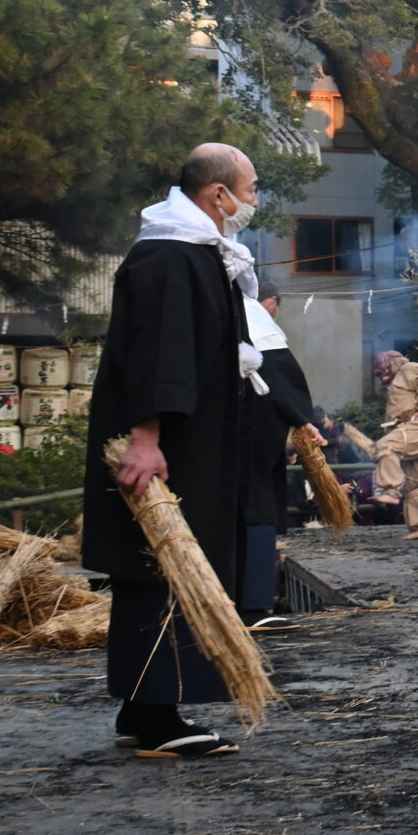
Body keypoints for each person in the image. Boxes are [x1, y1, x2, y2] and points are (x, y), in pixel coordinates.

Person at [83, 143, 262, 760]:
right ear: (218, 194)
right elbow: (159, 355)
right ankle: (157, 716)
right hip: (168, 447)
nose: (253, 201)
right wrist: (146, 439)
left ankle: (144, 707)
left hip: (186, 442)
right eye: (251, 188)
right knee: (159, 567)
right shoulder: (170, 256)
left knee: (161, 565)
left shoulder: (194, 252)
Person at [240, 281, 328, 627]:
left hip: (210, 434)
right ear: (270, 302)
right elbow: (281, 378)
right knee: (256, 511)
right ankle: (254, 604)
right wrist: (301, 421)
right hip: (251, 433)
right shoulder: (255, 317)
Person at [370, 350, 418, 540]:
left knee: (383, 446)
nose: (379, 375)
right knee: (408, 482)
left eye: (380, 370)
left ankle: (390, 491)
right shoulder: (400, 381)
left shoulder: (406, 368)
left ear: (390, 363)